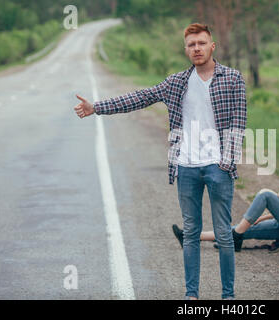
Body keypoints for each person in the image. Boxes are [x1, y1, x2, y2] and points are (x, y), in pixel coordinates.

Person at [73, 23, 247, 300]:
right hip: (186, 167)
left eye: (202, 43)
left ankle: (228, 297)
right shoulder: (176, 82)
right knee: (191, 234)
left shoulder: (233, 78)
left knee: (224, 235)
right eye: (191, 44)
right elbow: (140, 97)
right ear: (186, 49)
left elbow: (239, 122)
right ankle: (191, 296)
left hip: (218, 167)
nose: (197, 48)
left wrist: (227, 162)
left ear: (212, 46)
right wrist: (97, 107)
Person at [173, 140, 279, 254]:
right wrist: (261, 218)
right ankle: (189, 237)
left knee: (265, 194)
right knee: (245, 227)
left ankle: (236, 236)